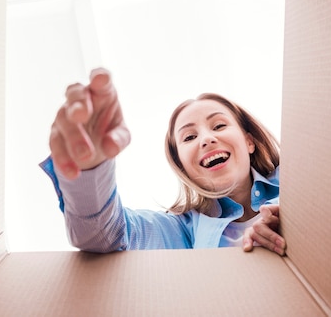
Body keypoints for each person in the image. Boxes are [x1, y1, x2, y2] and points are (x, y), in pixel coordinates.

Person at [40, 67, 286, 255]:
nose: (206, 139)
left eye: (219, 125)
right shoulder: (181, 231)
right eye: (189, 137)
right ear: (183, 167)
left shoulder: (297, 181)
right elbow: (102, 236)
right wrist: (90, 167)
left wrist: (291, 221)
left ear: (249, 141)